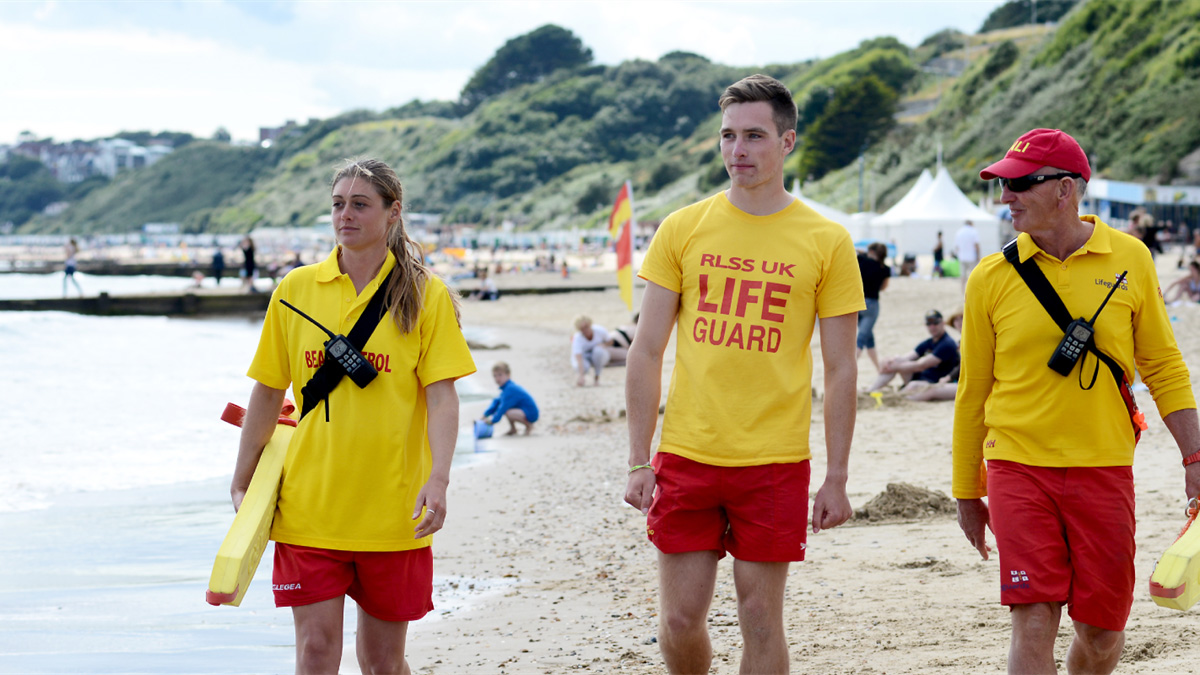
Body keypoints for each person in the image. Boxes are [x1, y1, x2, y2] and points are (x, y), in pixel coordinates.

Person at [623, 74, 863, 674]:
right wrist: (637, 457)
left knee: (761, 619)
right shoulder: (682, 228)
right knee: (679, 622)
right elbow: (646, 350)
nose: (738, 151)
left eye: (754, 136)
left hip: (774, 459)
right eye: (728, 136)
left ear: (786, 142)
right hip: (688, 451)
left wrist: (836, 476)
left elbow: (840, 369)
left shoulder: (826, 240)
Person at [954, 128, 1200, 674]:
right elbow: (974, 390)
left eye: (1018, 184)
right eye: (1002, 186)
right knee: (1034, 616)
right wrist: (967, 491)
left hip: (1104, 466)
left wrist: (1194, 458)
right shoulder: (989, 278)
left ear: (1065, 189)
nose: (1005, 198)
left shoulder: (1131, 258)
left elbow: (1163, 366)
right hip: (1018, 466)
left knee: (1101, 633)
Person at [230, 158, 475, 673]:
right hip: (308, 507)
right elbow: (268, 391)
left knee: (382, 661)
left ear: (392, 213)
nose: (346, 214)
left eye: (361, 204)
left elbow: (442, 397)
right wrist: (243, 478)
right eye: (338, 204)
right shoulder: (295, 289)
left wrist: (439, 479)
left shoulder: (424, 296)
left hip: (393, 510)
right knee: (316, 652)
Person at [864, 309, 959, 394]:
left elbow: (921, 366)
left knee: (909, 380)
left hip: (935, 382)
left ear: (943, 323)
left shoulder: (947, 343)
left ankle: (894, 394)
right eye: (929, 324)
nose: (932, 327)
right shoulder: (930, 342)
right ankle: (872, 389)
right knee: (897, 360)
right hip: (921, 378)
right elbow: (907, 357)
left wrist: (894, 366)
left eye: (935, 323)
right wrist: (889, 361)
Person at [904, 309, 962, 401]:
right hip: (958, 380)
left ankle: (903, 400)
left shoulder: (949, 343)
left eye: (962, 319)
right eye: (956, 320)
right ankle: (897, 398)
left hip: (965, 383)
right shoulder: (960, 341)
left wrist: (949, 377)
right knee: (913, 384)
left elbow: (965, 365)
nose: (959, 323)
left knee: (930, 390)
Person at [856, 241, 891, 370]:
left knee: (868, 338)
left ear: (871, 252)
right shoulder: (885, 269)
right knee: (861, 339)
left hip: (858, 302)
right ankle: (852, 366)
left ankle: (878, 369)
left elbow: (855, 252)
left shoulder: (862, 261)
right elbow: (883, 287)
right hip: (872, 304)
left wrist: (862, 252)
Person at [480, 361, 539, 436]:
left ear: (508, 375)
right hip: (523, 410)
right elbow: (497, 402)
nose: (497, 378)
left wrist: (492, 421)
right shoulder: (506, 388)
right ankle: (513, 429)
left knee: (507, 411)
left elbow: (502, 408)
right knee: (506, 409)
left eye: (500, 375)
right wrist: (485, 415)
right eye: (495, 376)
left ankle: (529, 426)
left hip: (531, 413)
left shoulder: (510, 389)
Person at [571, 315, 623, 386]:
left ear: (590, 324)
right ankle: (583, 376)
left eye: (586, 327)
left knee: (598, 351)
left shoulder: (599, 330)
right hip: (585, 357)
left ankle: (597, 376)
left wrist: (603, 345)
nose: (585, 330)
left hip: (598, 355)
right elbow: (579, 358)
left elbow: (611, 341)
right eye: (582, 329)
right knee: (581, 366)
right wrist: (581, 376)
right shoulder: (577, 338)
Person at [955, 219, 981, 293]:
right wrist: (978, 255)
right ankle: (972, 291)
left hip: (962, 256)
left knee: (963, 275)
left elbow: (957, 246)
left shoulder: (959, 232)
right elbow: (976, 245)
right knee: (972, 275)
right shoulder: (973, 231)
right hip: (971, 257)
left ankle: (962, 290)